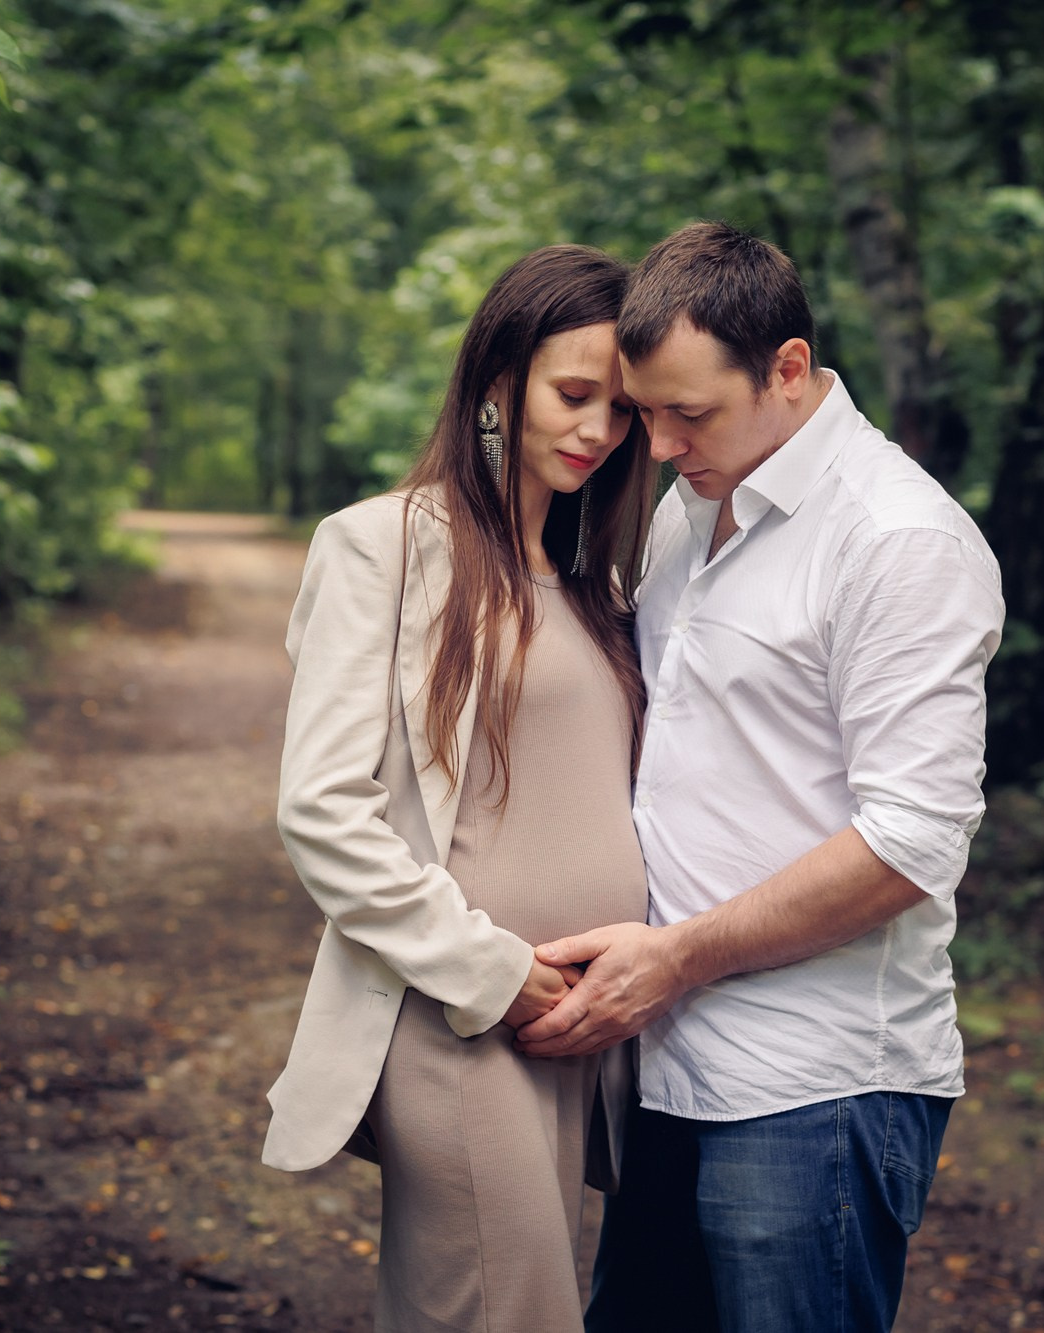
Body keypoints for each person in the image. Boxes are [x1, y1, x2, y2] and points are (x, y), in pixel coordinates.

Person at [515, 222, 1006, 1332]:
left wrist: (672, 959)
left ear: (787, 370)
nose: (652, 443)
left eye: (687, 412)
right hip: (669, 1068)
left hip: (813, 1085)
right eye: (645, 410)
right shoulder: (690, 511)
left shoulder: (896, 542)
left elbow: (910, 842)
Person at [261, 244, 660, 1332]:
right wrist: (486, 969)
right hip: (461, 1018)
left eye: (621, 412)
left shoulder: (603, 581)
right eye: (572, 395)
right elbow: (322, 809)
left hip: (589, 1032)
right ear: (496, 382)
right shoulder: (383, 546)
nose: (596, 431)